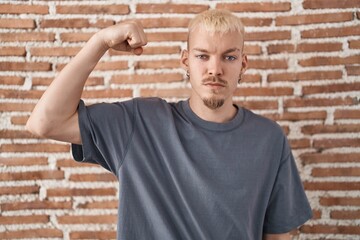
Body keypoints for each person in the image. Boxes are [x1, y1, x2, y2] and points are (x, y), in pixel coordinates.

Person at [27, 9, 313, 240]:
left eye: (229, 56)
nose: (215, 69)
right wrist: (99, 42)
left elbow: (277, 234)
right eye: (202, 56)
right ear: (185, 61)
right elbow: (45, 122)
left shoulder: (269, 139)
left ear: (244, 65)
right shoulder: (140, 123)